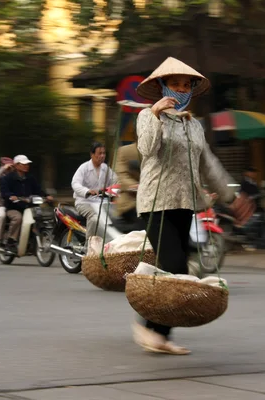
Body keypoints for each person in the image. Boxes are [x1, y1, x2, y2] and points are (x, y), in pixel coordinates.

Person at [132, 57, 235, 355]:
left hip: (184, 203)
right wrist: (155, 113)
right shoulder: (146, 116)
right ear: (163, 86)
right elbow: (147, 149)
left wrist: (231, 195)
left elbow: (209, 165)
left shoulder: (194, 125)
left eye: (185, 85)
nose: (180, 89)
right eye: (174, 84)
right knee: (175, 266)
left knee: (175, 269)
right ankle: (148, 327)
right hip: (155, 203)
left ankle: (159, 333)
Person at [0, 155, 52, 252]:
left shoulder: (30, 178)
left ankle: (32, 241)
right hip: (13, 208)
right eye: (23, 164)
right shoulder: (8, 178)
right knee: (18, 218)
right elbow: (4, 192)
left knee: (38, 217)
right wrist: (11, 196)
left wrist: (46, 196)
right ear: (16, 165)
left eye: (27, 164)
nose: (26, 166)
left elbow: (38, 190)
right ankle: (11, 241)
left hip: (28, 207)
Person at [71, 142, 118, 239]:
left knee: (115, 218)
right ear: (92, 154)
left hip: (101, 202)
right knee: (95, 218)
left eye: (104, 153)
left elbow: (115, 180)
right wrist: (88, 191)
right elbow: (75, 183)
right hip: (84, 202)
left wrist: (121, 188)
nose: (102, 156)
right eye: (99, 153)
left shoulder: (105, 168)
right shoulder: (84, 168)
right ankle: (89, 246)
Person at [113, 142, 144, 229]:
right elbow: (122, 176)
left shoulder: (162, 152)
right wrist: (136, 186)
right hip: (131, 203)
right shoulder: (125, 151)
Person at [0, 157, 14, 246]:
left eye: (10, 166)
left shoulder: (15, 176)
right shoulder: (1, 178)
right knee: (2, 216)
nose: (8, 168)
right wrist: (3, 168)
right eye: (6, 166)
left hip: (14, 204)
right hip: (1, 204)